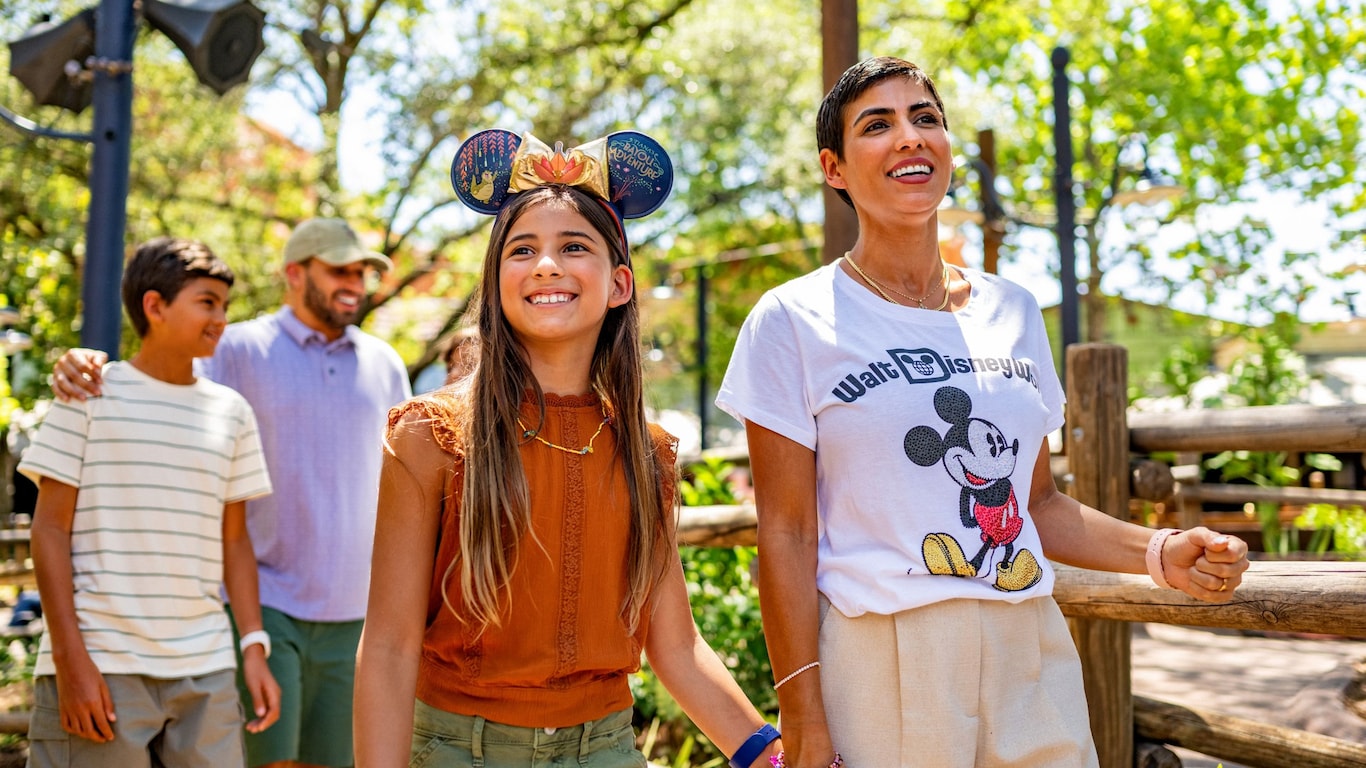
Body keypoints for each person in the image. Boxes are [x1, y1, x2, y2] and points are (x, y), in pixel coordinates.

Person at [715, 57, 1251, 768]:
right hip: (884, 657)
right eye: (878, 125)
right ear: (835, 168)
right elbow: (785, 532)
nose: (910, 137)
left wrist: (1157, 553)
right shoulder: (792, 319)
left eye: (926, 119)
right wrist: (802, 711)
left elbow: (1039, 504)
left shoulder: (1014, 310)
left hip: (1027, 644)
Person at [353, 129, 781, 768]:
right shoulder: (430, 434)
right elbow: (388, 646)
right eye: (522, 250)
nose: (546, 265)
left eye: (574, 247)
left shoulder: (649, 453)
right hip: (455, 752)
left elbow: (677, 647)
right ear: (497, 282)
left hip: (606, 748)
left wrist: (771, 758)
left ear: (619, 285)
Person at [51, 218, 413, 768]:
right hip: (265, 601)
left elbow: (406, 477)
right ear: (295, 272)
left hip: (357, 609)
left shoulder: (385, 363)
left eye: (362, 272)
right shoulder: (236, 346)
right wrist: (79, 362)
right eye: (339, 268)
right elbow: (159, 380)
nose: (355, 282)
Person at [21, 237, 280, 766]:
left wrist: (253, 645)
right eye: (207, 302)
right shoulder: (87, 395)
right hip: (101, 663)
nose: (221, 319)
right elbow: (48, 530)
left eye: (225, 306)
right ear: (155, 306)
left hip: (204, 667)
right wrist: (71, 663)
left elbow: (235, 540)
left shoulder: (233, 412)